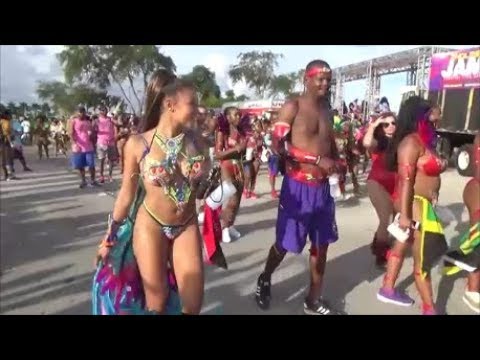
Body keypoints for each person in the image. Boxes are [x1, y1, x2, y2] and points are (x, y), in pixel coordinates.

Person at [93, 69, 210, 315]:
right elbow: (126, 196)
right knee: (156, 300)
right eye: (193, 104)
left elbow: (201, 189)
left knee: (193, 303)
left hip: (186, 225)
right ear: (170, 105)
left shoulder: (197, 142)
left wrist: (200, 178)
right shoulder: (138, 144)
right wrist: (109, 238)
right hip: (151, 226)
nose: (198, 110)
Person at [255, 60, 343, 315]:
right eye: (320, 79)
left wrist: (339, 163)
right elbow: (277, 145)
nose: (325, 84)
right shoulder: (293, 105)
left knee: (321, 244)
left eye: (329, 79)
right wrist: (316, 160)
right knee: (284, 243)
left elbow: (330, 145)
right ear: (307, 78)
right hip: (297, 189)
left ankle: (313, 300)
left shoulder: (327, 110)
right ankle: (265, 277)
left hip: (323, 189)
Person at [379, 96, 449, 315]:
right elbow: (407, 182)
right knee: (422, 259)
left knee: (402, 243)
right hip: (414, 205)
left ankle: (387, 288)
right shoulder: (411, 143)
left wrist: (434, 191)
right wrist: (405, 216)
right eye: (433, 117)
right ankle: (430, 310)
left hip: (422, 203)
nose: (437, 121)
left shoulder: (424, 141)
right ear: (422, 115)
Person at [443, 132, 480, 313]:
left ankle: (457, 256)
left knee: (477, 239)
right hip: (478, 191)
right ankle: (472, 290)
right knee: (478, 241)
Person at [362, 112, 397, 267]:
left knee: (394, 219)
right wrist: (374, 125)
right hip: (377, 183)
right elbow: (367, 143)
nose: (390, 127)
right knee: (387, 218)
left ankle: (378, 244)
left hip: (396, 185)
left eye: (393, 123)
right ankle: (381, 255)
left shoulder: (402, 141)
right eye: (386, 124)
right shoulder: (378, 142)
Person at [215, 107, 249, 243]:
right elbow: (218, 154)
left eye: (239, 115)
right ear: (227, 117)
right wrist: (235, 149)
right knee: (232, 199)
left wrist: (244, 149)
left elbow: (243, 152)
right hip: (226, 167)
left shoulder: (241, 132)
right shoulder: (221, 133)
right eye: (235, 115)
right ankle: (223, 228)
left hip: (239, 167)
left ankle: (230, 225)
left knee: (238, 200)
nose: (238, 117)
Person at [68, 106, 99, 188]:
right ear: (77, 113)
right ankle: (83, 180)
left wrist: (91, 134)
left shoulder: (88, 122)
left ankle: (93, 180)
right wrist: (74, 143)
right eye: (79, 112)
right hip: (78, 147)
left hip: (88, 146)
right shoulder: (74, 121)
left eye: (83, 112)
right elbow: (70, 133)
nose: (81, 114)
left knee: (91, 165)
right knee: (80, 166)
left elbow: (92, 133)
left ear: (85, 113)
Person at [95, 107, 118, 183]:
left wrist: (115, 119)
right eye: (102, 110)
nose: (103, 112)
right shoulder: (97, 120)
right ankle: (101, 176)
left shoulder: (110, 119)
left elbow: (118, 124)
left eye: (104, 110)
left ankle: (110, 176)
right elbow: (93, 129)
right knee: (101, 160)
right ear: (100, 112)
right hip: (101, 143)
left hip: (111, 142)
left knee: (111, 161)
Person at [0, 110, 17, 181]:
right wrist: (11, 143)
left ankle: (4, 175)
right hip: (5, 142)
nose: (10, 117)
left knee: (2, 159)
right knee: (7, 159)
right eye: (9, 115)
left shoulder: (1, 121)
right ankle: (9, 175)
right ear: (6, 115)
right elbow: (6, 134)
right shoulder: (6, 123)